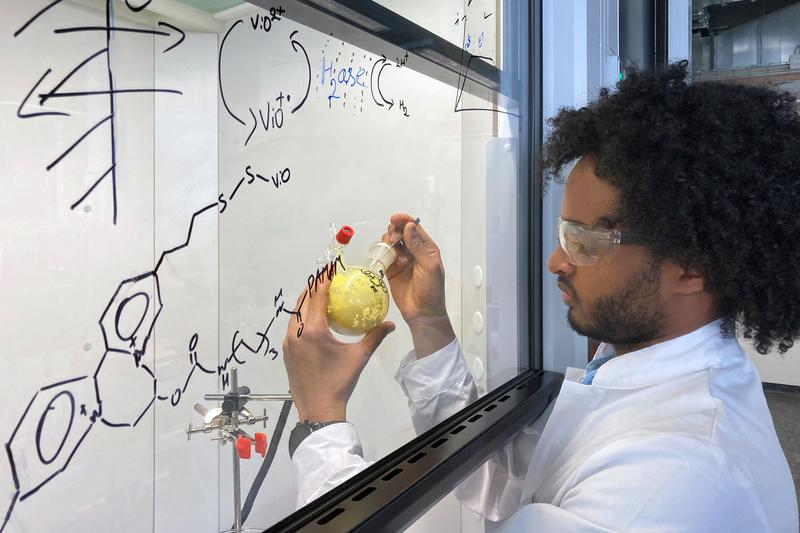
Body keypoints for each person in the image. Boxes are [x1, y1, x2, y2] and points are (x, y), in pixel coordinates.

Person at [281, 62, 800, 531]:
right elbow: (507, 479)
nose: (555, 260)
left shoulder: (670, 481)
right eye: (562, 233)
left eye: (584, 241)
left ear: (692, 268)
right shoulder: (650, 379)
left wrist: (322, 421)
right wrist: (429, 321)